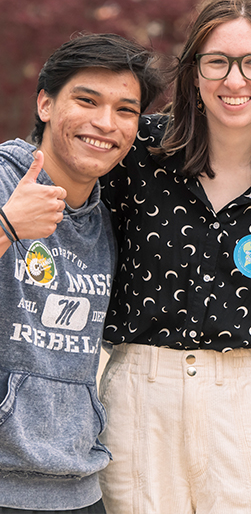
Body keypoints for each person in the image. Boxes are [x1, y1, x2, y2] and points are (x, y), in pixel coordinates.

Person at [98, 0, 251, 514]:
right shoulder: (136, 154)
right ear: (193, 73)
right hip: (141, 395)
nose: (235, 80)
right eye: (217, 62)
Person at [0, 34, 163, 513]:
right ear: (45, 103)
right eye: (87, 100)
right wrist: (7, 225)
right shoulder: (4, 182)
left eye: (125, 110)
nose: (105, 123)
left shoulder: (106, 218)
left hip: (77, 488)